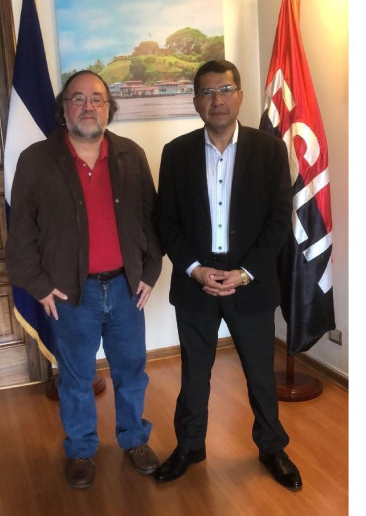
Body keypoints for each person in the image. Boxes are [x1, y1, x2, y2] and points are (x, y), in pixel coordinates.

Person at [5, 70, 163, 490]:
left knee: (132, 370)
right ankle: (80, 449)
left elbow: (151, 219)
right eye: (78, 98)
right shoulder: (36, 160)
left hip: (127, 289)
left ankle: (134, 439)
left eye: (97, 99)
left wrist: (150, 271)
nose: (88, 107)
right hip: (71, 294)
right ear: (64, 108)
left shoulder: (131, 155)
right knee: (76, 378)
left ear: (109, 108)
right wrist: (38, 284)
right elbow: (21, 233)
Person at [153, 60, 302, 490]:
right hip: (195, 283)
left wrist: (246, 272)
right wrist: (196, 269)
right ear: (195, 101)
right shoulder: (175, 153)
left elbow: (279, 219)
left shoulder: (269, 150)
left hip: (250, 283)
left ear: (239, 96)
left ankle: (272, 447)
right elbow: (166, 222)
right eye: (207, 92)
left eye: (225, 90)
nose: (216, 100)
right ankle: (189, 446)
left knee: (260, 374)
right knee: (194, 373)